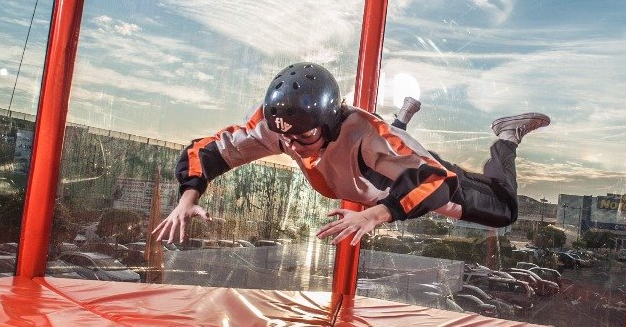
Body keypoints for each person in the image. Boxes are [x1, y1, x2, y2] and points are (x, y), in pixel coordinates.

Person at [152, 62, 549, 247]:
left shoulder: (363, 133)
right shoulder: (280, 125)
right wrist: (188, 199)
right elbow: (205, 151)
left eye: (302, 138)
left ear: (327, 122)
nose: (289, 147)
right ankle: (403, 117)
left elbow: (433, 182)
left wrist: (375, 216)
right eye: (281, 137)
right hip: (371, 167)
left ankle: (507, 138)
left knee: (502, 210)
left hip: (402, 178)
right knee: (376, 154)